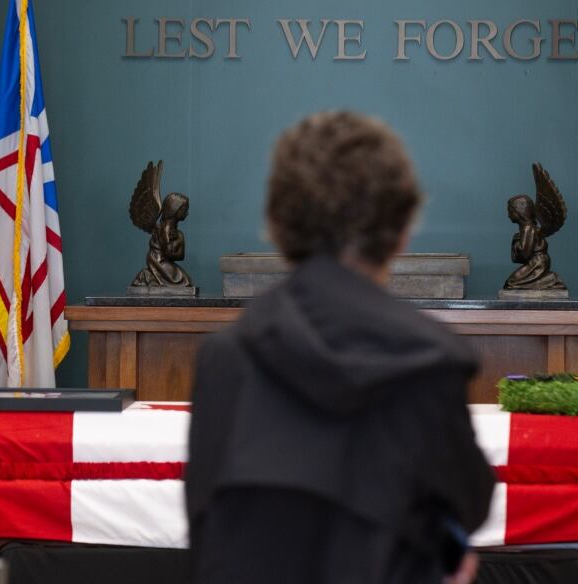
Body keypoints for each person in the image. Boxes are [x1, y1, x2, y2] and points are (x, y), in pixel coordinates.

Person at [186, 111, 494, 584]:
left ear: (276, 224)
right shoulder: (435, 359)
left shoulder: (223, 358)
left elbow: (207, 531)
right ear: (402, 231)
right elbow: (468, 505)